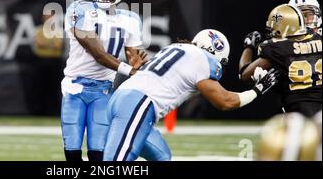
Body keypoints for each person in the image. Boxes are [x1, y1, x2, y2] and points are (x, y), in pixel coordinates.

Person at [103, 29, 279, 161]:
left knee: (162, 156)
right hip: (137, 105)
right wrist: (257, 91)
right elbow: (224, 102)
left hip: (123, 99)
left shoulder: (176, 48)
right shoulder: (202, 58)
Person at [62, 0, 147, 161]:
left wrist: (136, 62)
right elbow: (98, 54)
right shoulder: (79, 9)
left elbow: (132, 56)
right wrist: (129, 69)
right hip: (75, 87)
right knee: (72, 150)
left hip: (104, 90)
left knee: (98, 152)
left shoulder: (131, 19)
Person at [239, 4, 322, 117]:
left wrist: (248, 47)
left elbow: (244, 75)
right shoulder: (318, 38)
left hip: (298, 115)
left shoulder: (277, 49)